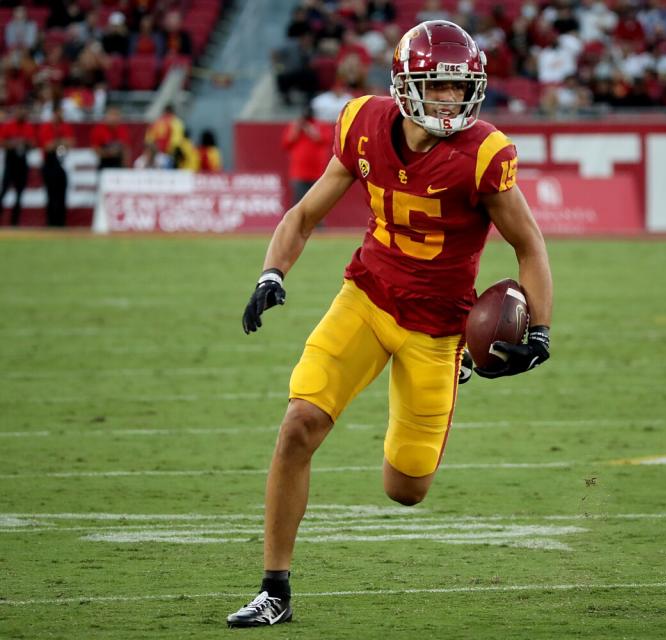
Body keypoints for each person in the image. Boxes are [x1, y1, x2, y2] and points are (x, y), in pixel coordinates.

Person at [226, 20, 553, 628]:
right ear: (405, 86)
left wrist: (540, 332)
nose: (452, 101)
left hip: (439, 331)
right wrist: (272, 272)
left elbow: (529, 246)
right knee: (299, 423)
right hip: (367, 299)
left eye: (461, 89)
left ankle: (455, 371)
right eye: (439, 88)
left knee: (405, 489)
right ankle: (275, 589)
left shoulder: (484, 153)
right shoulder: (363, 124)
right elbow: (305, 213)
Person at [283, 106, 332, 208]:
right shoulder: (294, 126)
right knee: (299, 202)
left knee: (318, 202)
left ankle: (319, 223)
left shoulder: (322, 125)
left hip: (318, 172)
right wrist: (296, 129)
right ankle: (299, 224)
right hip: (299, 173)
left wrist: (310, 130)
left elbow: (325, 140)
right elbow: (286, 143)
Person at [37, 105, 75, 227]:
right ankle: (51, 223)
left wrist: (57, 142)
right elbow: (48, 147)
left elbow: (71, 142)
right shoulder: (46, 127)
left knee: (62, 194)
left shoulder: (65, 126)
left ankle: (61, 223)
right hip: (49, 164)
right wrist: (61, 141)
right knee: (51, 194)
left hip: (61, 164)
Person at [0, 105, 34, 226]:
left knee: (20, 193)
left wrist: (24, 142)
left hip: (22, 162)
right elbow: (2, 142)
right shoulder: (9, 125)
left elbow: (32, 143)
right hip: (11, 161)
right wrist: (14, 143)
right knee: (3, 191)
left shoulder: (28, 125)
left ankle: (14, 222)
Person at [90, 106, 131, 170]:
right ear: (106, 116)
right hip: (104, 162)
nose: (114, 118)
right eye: (112, 115)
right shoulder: (99, 129)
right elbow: (95, 149)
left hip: (118, 163)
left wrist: (126, 166)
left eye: (117, 115)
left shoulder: (122, 129)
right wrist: (109, 153)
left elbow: (126, 149)